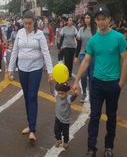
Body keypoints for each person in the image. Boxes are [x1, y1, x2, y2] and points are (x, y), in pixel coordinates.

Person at [72, 8, 127, 157]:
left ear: (109, 19)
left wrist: (121, 83)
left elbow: (125, 61)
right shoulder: (93, 40)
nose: (101, 21)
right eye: (98, 19)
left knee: (111, 117)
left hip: (113, 84)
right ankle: (91, 148)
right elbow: (85, 62)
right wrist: (77, 80)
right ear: (95, 21)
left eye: (104, 18)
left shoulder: (119, 38)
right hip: (96, 83)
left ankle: (109, 146)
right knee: (94, 116)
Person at [8, 11, 53, 142]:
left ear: (34, 22)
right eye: (25, 23)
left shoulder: (39, 35)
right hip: (22, 69)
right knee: (27, 96)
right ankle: (29, 123)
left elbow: (46, 52)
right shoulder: (20, 33)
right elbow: (15, 51)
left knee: (32, 96)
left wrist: (50, 71)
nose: (27, 26)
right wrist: (11, 68)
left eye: (30, 23)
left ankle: (32, 130)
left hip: (35, 68)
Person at [74, 11, 97, 102]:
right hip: (83, 54)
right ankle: (84, 92)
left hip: (93, 56)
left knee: (92, 76)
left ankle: (91, 94)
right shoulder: (81, 30)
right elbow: (79, 44)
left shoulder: (96, 30)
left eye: (88, 18)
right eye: (85, 18)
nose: (86, 20)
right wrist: (76, 56)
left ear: (91, 19)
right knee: (83, 75)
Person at [50, 82, 77, 149]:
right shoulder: (57, 96)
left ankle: (65, 142)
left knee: (65, 132)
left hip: (65, 120)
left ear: (66, 92)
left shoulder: (68, 98)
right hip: (58, 118)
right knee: (56, 130)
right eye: (59, 93)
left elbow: (73, 98)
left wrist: (75, 94)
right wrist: (51, 84)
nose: (60, 95)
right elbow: (52, 92)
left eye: (62, 94)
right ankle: (59, 140)